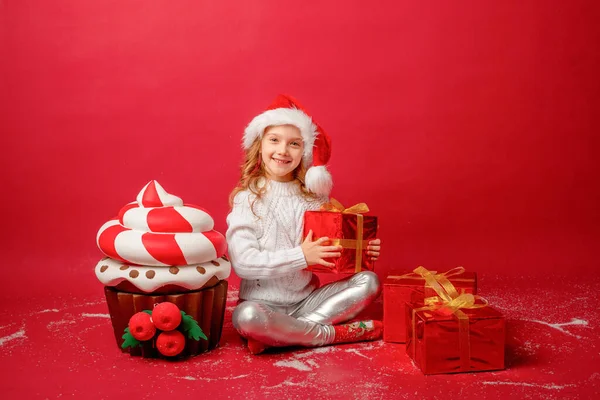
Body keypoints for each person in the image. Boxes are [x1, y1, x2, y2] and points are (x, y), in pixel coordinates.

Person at [226, 94, 382, 354]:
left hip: (309, 302)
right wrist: (301, 255)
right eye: (274, 140)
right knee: (247, 317)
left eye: (294, 143)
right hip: (263, 304)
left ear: (305, 151)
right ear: (260, 144)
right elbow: (243, 263)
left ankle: (284, 334)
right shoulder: (247, 199)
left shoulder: (315, 198)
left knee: (370, 281)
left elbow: (330, 251)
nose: (283, 151)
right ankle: (328, 334)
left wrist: (361, 250)